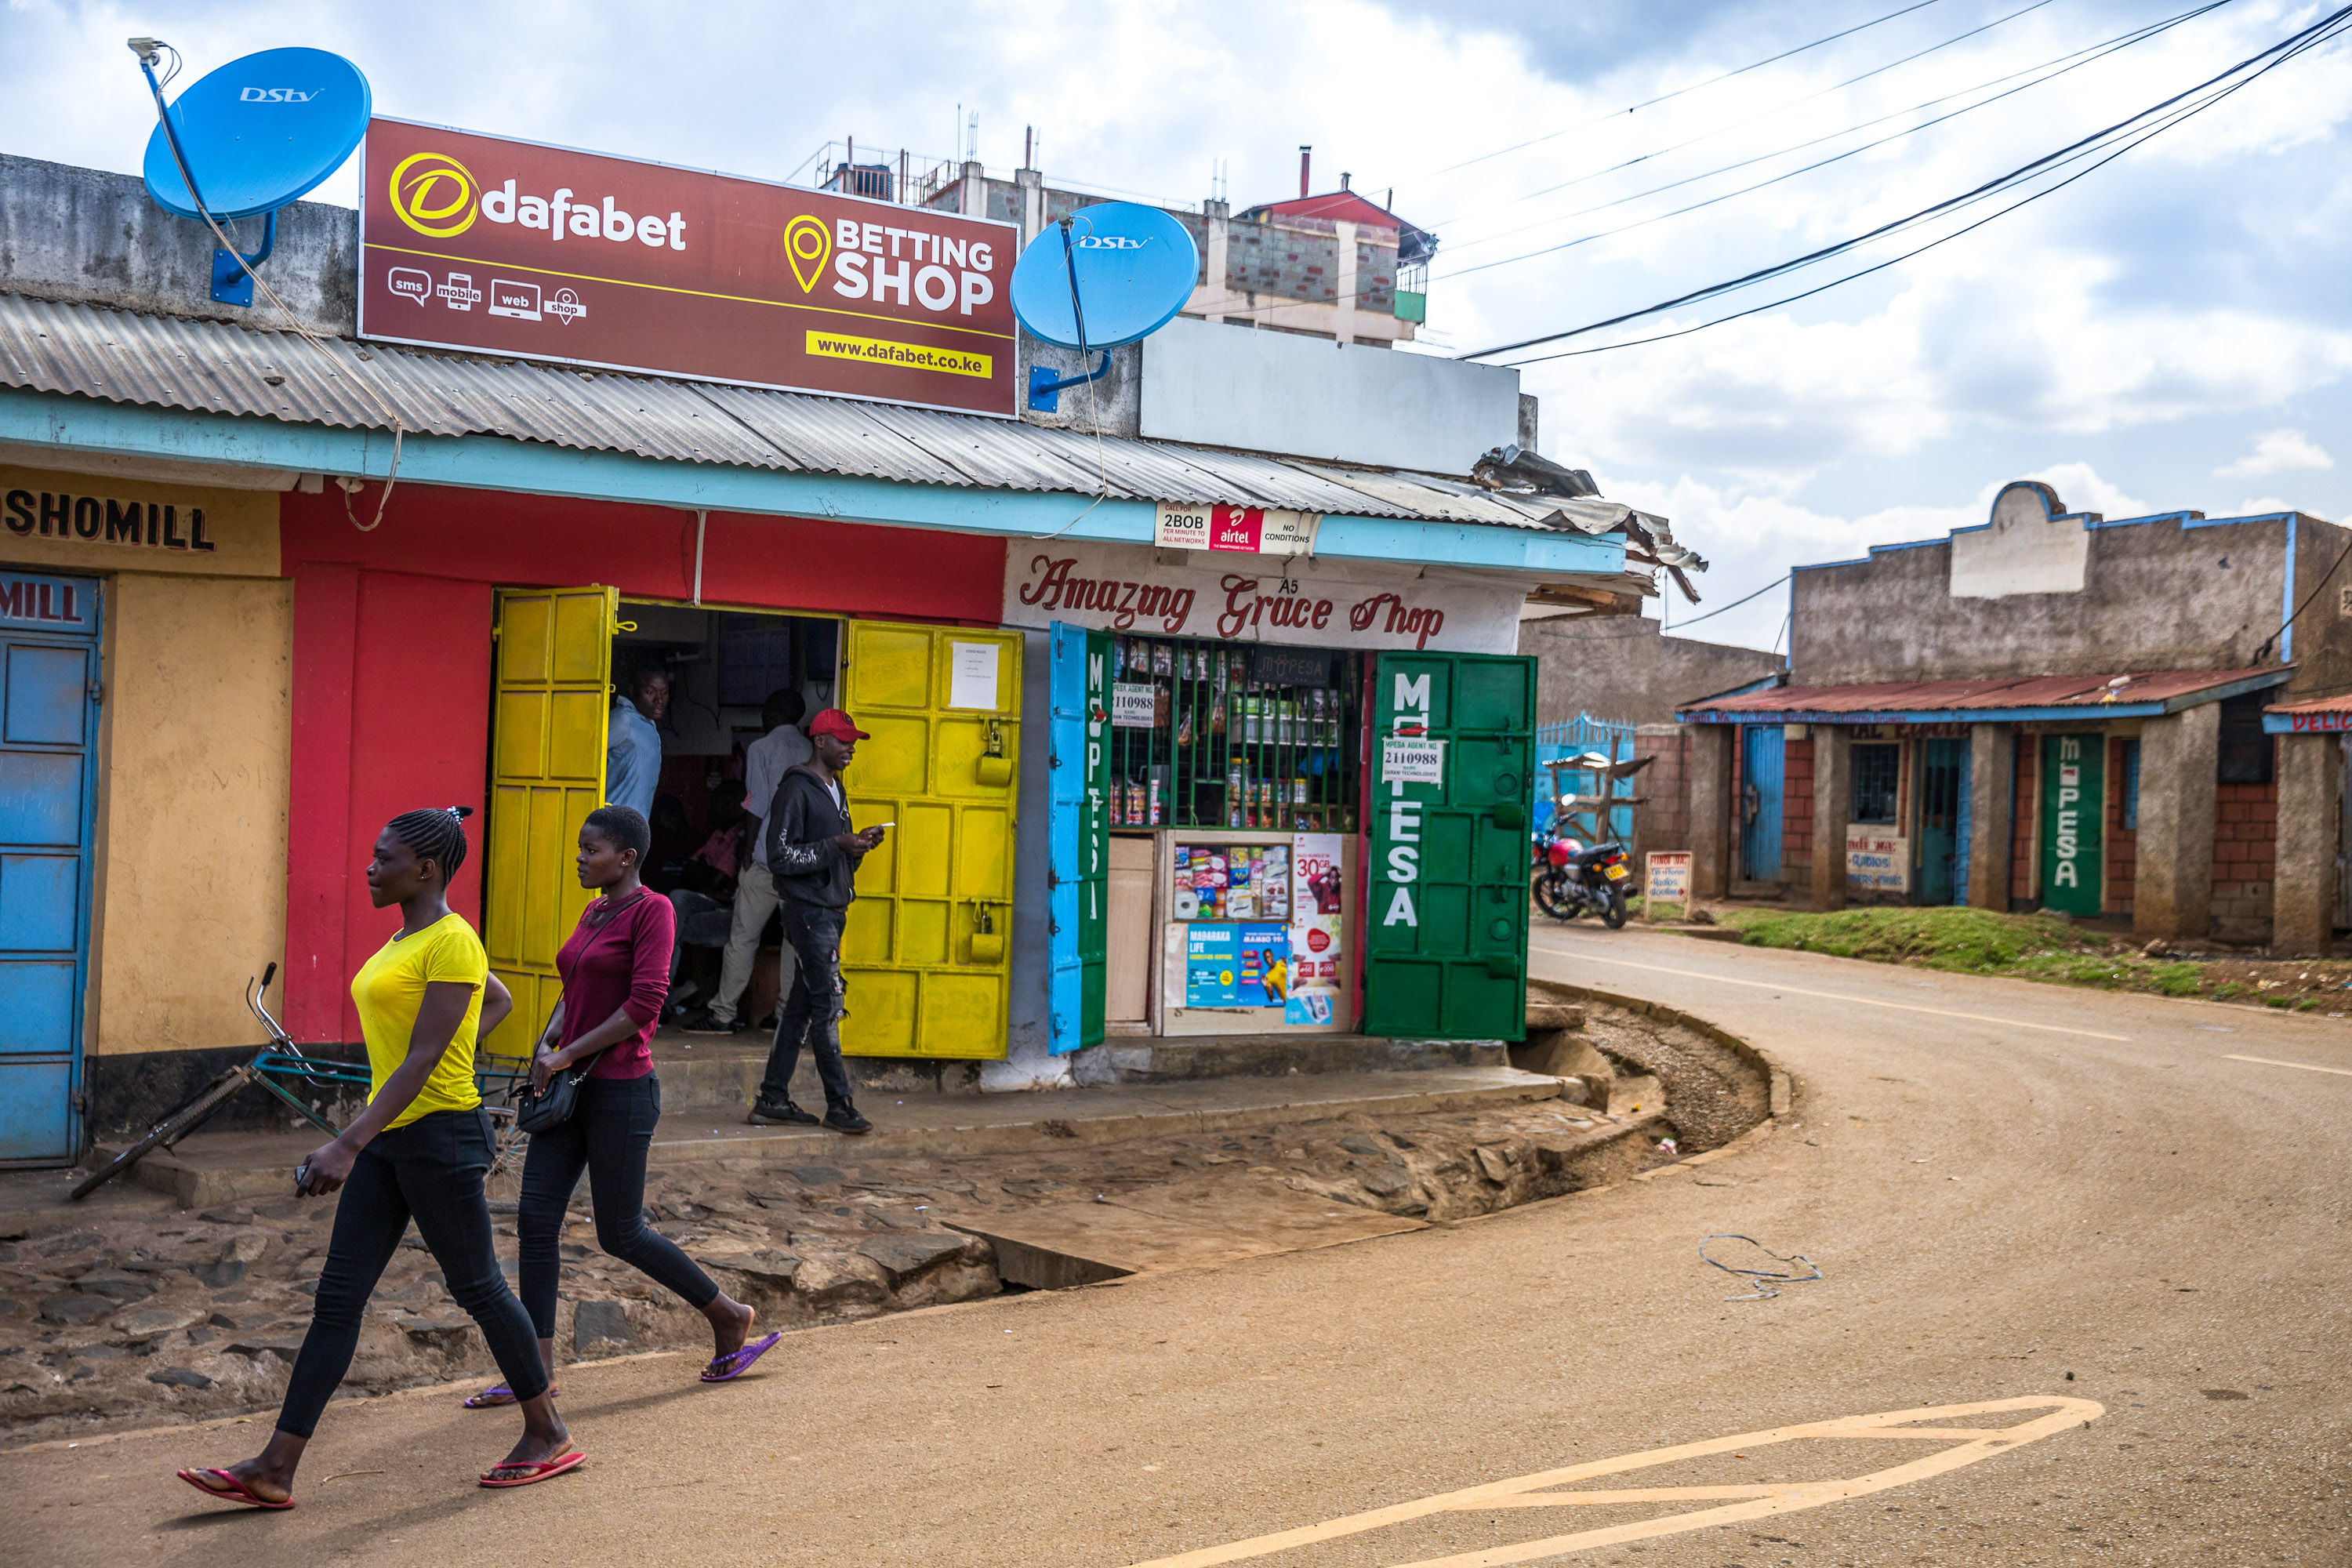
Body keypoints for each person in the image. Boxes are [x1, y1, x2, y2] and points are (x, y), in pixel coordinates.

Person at [177, 808, 578, 1509]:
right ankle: (275, 1467)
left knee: (478, 1287)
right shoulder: (406, 938)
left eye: (382, 857)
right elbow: (499, 1000)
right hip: (395, 1136)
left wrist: (347, 1140)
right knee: (338, 1299)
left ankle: (547, 1433)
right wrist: (384, 1117)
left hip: (441, 1138)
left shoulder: (453, 942)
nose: (369, 867)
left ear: (424, 869)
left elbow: (423, 1058)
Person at [463, 805, 778, 1410]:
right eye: (581, 849)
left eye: (591, 850)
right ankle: (537, 1371)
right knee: (535, 1221)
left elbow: (645, 1005)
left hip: (621, 1091)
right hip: (569, 1090)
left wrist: (567, 1053)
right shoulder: (595, 909)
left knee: (621, 1231)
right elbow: (575, 983)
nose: (580, 858)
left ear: (626, 858)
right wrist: (549, 1038)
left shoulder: (652, 910)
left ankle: (729, 1315)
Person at [747, 709, 883, 1134]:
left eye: (853, 741)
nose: (851, 748)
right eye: (843, 741)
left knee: (801, 1010)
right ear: (819, 741)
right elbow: (780, 857)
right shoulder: (796, 789)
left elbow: (828, 851)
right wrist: (837, 844)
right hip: (809, 914)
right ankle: (839, 1106)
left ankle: (772, 1098)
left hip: (829, 911)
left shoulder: (835, 789)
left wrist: (855, 847)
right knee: (828, 1007)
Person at [678, 691, 808, 1036]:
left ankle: (723, 1014)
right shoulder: (813, 749)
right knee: (794, 944)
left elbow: (755, 804)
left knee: (742, 937)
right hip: (801, 862)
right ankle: (783, 1016)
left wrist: (748, 852)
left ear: (772, 713)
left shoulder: (761, 748)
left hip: (767, 859)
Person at [605, 655, 670, 818]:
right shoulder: (623, 719)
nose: (659, 700)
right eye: (650, 692)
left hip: (634, 829)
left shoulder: (648, 726)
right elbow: (585, 758)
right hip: (611, 828)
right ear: (633, 691)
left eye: (664, 693)